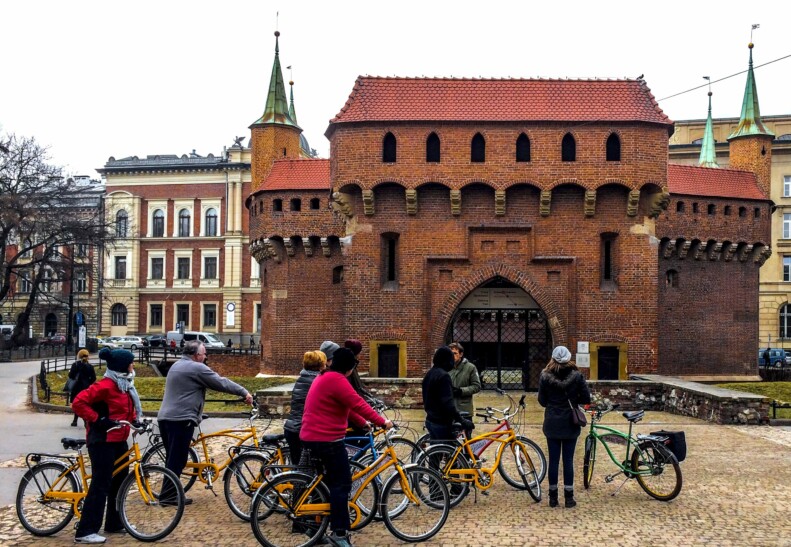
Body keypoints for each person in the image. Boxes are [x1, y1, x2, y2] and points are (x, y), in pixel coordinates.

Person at [301, 348, 393, 547]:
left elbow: (347, 407)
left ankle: (313, 526)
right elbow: (358, 403)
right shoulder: (337, 380)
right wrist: (382, 422)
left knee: (324, 484)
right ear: (350, 367)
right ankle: (340, 533)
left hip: (313, 437)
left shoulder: (325, 377)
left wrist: (363, 423)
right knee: (342, 484)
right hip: (327, 440)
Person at [157, 340, 253, 504]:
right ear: (196, 355)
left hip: (165, 417)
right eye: (204, 354)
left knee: (172, 459)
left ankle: (169, 493)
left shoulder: (176, 365)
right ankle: (168, 497)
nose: (206, 356)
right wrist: (244, 392)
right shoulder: (196, 368)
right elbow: (221, 382)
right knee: (177, 460)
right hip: (181, 419)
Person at [71, 347, 142, 544]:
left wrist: (136, 420)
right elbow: (78, 403)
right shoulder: (105, 385)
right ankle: (85, 531)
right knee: (100, 485)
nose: (133, 365)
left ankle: (114, 522)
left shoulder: (125, 385)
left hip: (119, 439)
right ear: (122, 366)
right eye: (130, 363)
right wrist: (99, 419)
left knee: (119, 482)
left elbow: (126, 409)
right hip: (102, 440)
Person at [537, 345, 591, 509]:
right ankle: (569, 498)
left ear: (553, 358)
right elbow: (586, 398)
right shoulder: (577, 376)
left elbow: (542, 401)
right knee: (568, 460)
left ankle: (553, 498)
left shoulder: (545, 376)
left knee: (553, 460)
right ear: (569, 358)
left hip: (552, 421)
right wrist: (574, 400)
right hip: (570, 421)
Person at [284, 350, 327, 466]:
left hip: (292, 427)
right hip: (302, 430)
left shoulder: (302, 379)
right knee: (306, 471)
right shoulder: (316, 382)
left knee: (299, 468)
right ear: (320, 365)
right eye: (325, 363)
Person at [422, 346, 473, 440]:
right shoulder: (444, 375)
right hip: (441, 422)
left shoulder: (431, 373)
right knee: (449, 452)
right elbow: (447, 403)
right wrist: (461, 420)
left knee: (436, 452)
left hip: (430, 419)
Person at [448, 342, 481, 436]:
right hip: (450, 409)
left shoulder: (470, 368)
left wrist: (461, 391)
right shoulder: (446, 367)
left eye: (455, 353)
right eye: (450, 354)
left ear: (461, 354)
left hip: (464, 409)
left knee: (467, 438)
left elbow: (477, 386)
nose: (452, 356)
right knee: (451, 437)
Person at [68, 349, 96, 426]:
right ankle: (85, 420)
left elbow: (71, 376)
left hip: (76, 387)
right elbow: (93, 378)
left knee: (76, 404)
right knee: (85, 404)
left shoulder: (75, 365)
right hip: (86, 388)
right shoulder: (90, 366)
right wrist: (88, 383)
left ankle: (75, 420)